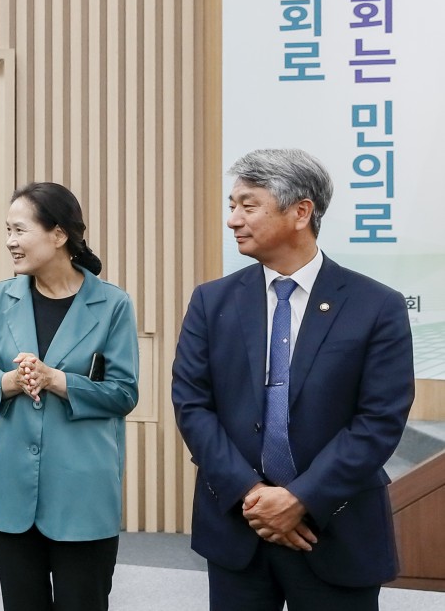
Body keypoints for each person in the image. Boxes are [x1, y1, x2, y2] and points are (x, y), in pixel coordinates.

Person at [172, 148, 414, 610]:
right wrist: (253, 494)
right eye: (232, 205)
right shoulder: (212, 301)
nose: (233, 220)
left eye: (248, 206)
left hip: (335, 529)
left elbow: (379, 420)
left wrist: (300, 499)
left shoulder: (376, 305)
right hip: (239, 525)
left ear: (301, 212)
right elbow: (192, 404)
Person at [0, 182, 139, 611]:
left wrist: (56, 380)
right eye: (7, 230)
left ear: (59, 234)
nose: (10, 241)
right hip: (12, 489)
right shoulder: (0, 298)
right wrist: (14, 380)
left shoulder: (112, 304)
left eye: (20, 230)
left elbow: (123, 393)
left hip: (83, 491)